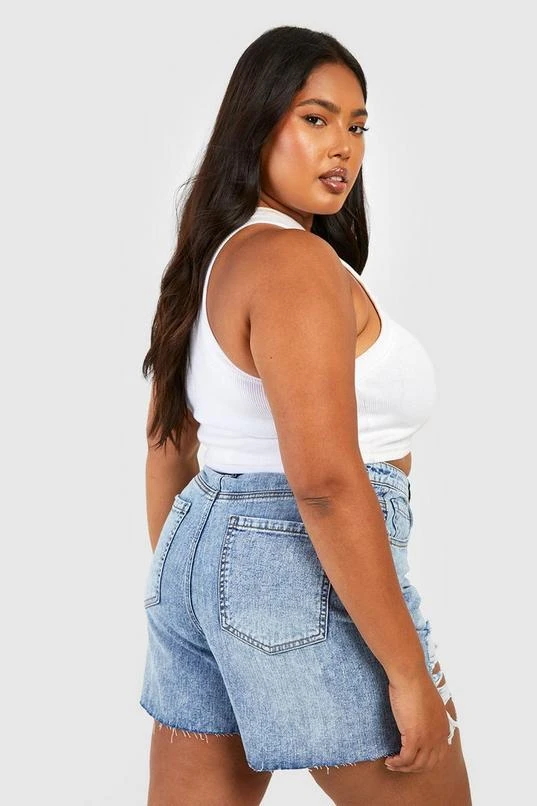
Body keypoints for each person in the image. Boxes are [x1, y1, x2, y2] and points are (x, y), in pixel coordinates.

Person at [139, 25, 473, 806]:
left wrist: (209, 598)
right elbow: (322, 480)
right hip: (308, 560)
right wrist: (406, 673)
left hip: (200, 555)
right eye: (315, 118)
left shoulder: (217, 256)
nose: (342, 147)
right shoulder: (292, 263)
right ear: (255, 125)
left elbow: (167, 449)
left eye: (356, 125)